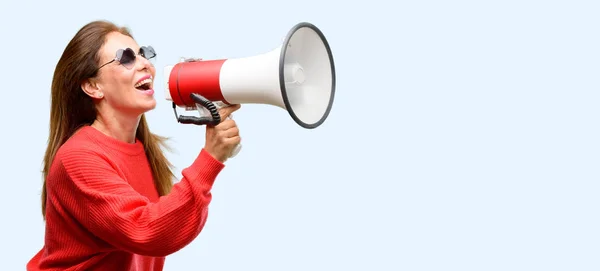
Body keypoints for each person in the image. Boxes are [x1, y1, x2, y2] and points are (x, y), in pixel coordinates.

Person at [26, 20, 241, 271]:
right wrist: (210, 159)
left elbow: (171, 227)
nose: (145, 64)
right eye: (126, 58)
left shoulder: (143, 150)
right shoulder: (79, 157)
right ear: (93, 86)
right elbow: (148, 231)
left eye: (143, 53)